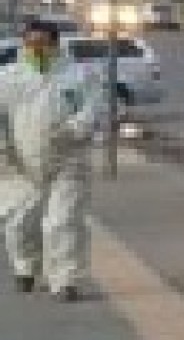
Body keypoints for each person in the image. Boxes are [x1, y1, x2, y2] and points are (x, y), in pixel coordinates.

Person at [0, 19, 107, 302]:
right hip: (21, 163)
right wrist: (4, 151)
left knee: (62, 221)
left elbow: (94, 108)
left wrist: (75, 128)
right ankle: (26, 267)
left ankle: (65, 280)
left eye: (43, 43)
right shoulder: (9, 77)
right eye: (31, 43)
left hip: (68, 159)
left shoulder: (78, 76)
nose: (37, 49)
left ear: (55, 45)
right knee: (19, 222)